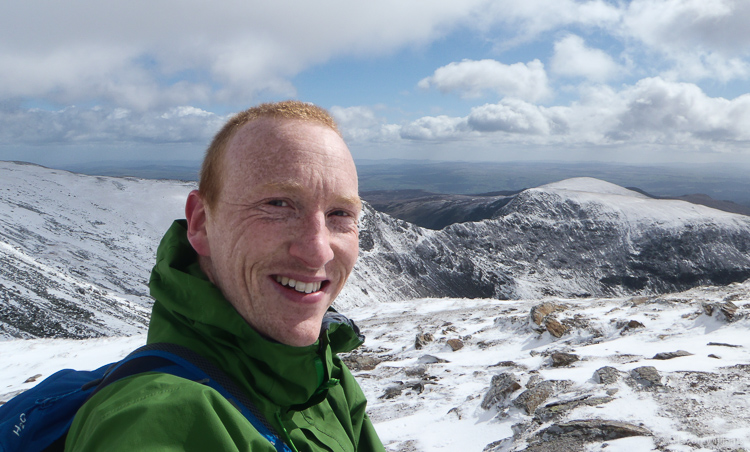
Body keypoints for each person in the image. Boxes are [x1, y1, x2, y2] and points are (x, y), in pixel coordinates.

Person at [65, 101, 385, 451]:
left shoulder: (326, 380)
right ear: (201, 223)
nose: (318, 251)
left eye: (340, 213)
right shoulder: (155, 423)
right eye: (278, 204)